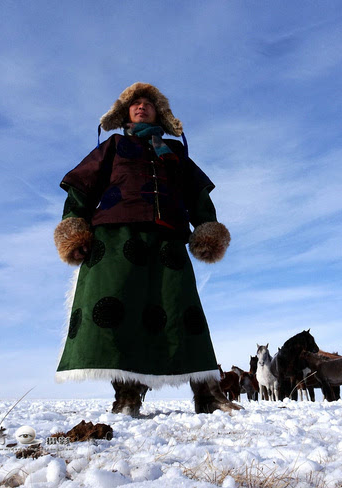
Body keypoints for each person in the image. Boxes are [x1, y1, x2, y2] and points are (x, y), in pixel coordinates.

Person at [53, 82, 240, 416]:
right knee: (119, 313)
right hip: (115, 239)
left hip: (166, 239)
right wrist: (74, 227)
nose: (141, 107)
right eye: (135, 103)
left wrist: (206, 228)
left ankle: (209, 395)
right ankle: (127, 398)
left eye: (148, 104)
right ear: (125, 112)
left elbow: (198, 196)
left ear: (161, 114)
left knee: (183, 311)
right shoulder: (112, 146)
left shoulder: (175, 154)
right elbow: (80, 189)